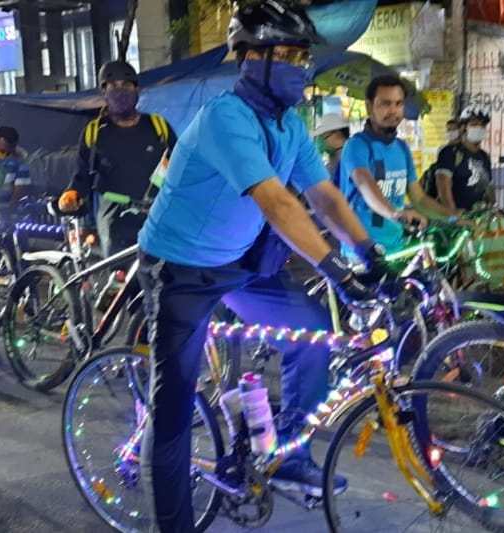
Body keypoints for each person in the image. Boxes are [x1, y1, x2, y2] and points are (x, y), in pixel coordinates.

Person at [135, 2, 382, 530]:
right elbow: (276, 202)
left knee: (314, 332)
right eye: (288, 54)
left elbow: (325, 198)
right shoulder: (226, 117)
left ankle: (289, 458)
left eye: (303, 55)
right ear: (252, 58)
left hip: (237, 261)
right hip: (178, 269)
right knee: (173, 406)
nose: (300, 65)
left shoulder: (289, 125)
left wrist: (371, 256)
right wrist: (336, 268)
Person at [60, 60, 177, 257]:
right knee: (121, 281)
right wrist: (71, 195)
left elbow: (182, 168)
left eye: (126, 85)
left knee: (164, 278)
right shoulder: (95, 132)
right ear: (104, 91)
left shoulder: (158, 126)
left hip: (158, 215)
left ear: (137, 89)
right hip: (115, 220)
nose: (120, 91)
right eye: (114, 86)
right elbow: (82, 177)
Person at [341, 75, 458, 255]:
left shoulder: (402, 148)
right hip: (363, 252)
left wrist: (454, 219)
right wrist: (396, 214)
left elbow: (419, 199)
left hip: (398, 249)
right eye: (386, 104)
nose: (393, 111)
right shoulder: (357, 145)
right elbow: (365, 184)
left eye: (399, 104)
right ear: (369, 106)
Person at [434, 106, 493, 211]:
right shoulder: (450, 153)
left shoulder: (484, 157)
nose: (479, 129)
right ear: (463, 128)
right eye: (474, 125)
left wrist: (493, 210)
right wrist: (454, 216)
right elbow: (443, 188)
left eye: (482, 125)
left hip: (478, 218)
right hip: (454, 219)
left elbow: (488, 189)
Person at [312, 113, 349, 186]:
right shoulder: (333, 157)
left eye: (325, 136)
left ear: (337, 133)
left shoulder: (350, 155)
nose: (323, 140)